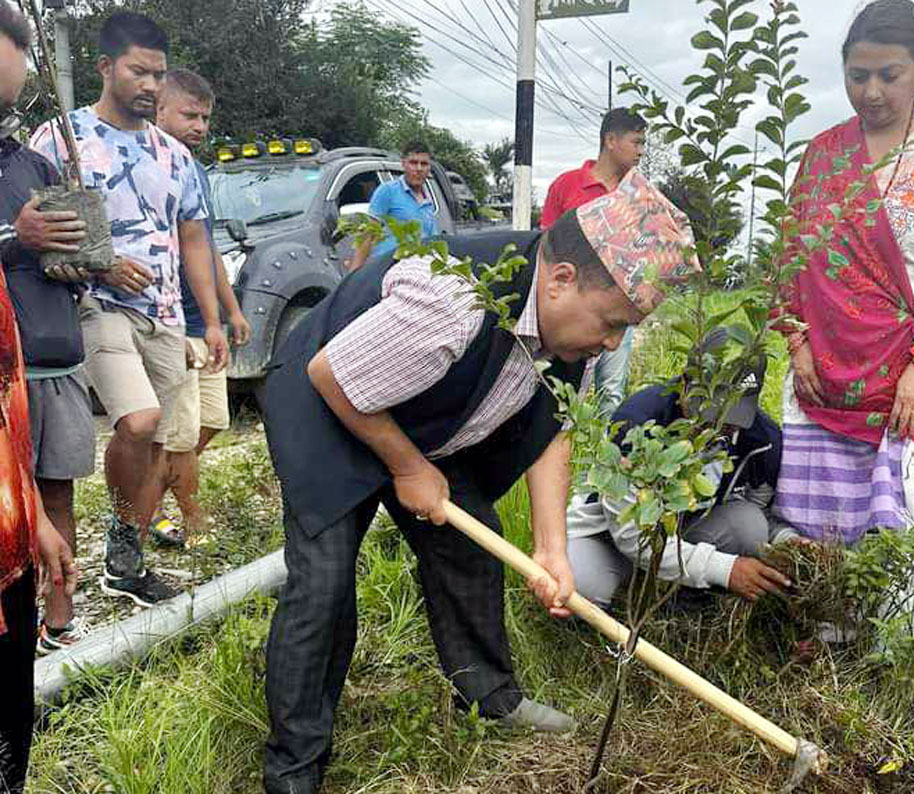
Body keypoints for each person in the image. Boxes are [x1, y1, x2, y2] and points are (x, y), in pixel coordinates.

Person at [261, 168, 698, 793]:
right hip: (329, 403)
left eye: (625, 329)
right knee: (324, 583)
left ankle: (490, 696)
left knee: (470, 546)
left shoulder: (569, 337)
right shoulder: (456, 297)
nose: (612, 342)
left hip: (423, 415)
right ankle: (295, 765)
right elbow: (333, 375)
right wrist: (407, 467)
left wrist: (551, 548)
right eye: (611, 322)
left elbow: (552, 429)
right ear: (561, 279)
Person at [772, 0, 914, 638]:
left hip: (908, 366)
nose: (871, 91)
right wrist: (797, 341)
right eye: (857, 75)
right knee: (815, 505)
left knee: (906, 510)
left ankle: (896, 651)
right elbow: (791, 258)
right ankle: (826, 635)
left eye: (889, 75)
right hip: (819, 368)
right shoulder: (822, 153)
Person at [30, 11, 229, 607]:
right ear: (105, 67)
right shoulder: (62, 138)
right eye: (138, 71)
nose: (149, 84)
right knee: (139, 422)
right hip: (95, 304)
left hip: (164, 312)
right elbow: (41, 223)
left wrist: (212, 320)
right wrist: (103, 262)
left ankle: (126, 558)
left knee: (161, 442)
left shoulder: (174, 155)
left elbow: (193, 239)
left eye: (158, 75)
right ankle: (117, 542)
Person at [566, 327, 793, 607]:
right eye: (709, 414)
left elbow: (763, 513)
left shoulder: (762, 440)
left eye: (731, 417)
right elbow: (629, 534)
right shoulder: (638, 422)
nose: (718, 427)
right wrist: (724, 569)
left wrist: (789, 542)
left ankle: (679, 599)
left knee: (749, 525)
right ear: (685, 383)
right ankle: (631, 585)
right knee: (580, 586)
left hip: (688, 531)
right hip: (610, 536)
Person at [0, 5, 78, 788]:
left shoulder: (31, 163)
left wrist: (33, 524)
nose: (20, 67)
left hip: (8, 494)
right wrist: (11, 240)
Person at [0, 24, 93, 652]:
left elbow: (69, 250)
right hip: (6, 374)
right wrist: (17, 238)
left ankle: (58, 621)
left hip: (55, 356)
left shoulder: (35, 164)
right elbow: (23, 240)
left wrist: (85, 259)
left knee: (56, 491)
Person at [149, 68, 250, 544]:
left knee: (213, 420)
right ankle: (190, 517)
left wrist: (230, 312)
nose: (200, 126)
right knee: (182, 432)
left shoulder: (197, 172)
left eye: (205, 118)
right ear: (159, 110)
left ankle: (151, 491)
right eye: (190, 115)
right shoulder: (149, 168)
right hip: (169, 320)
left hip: (203, 320)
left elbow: (206, 247)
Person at [541, 108, 673, 417]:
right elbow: (545, 244)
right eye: (636, 142)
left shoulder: (639, 196)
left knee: (611, 392)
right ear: (610, 140)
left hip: (616, 310)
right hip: (571, 308)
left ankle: (601, 446)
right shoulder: (567, 185)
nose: (641, 151)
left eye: (643, 144)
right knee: (556, 388)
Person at [349, 140, 438, 271]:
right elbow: (368, 234)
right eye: (413, 163)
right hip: (386, 270)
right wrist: (353, 275)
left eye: (424, 164)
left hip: (415, 273)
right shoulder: (387, 191)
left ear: (429, 167)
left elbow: (432, 242)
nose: (419, 169)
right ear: (403, 164)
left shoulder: (429, 200)